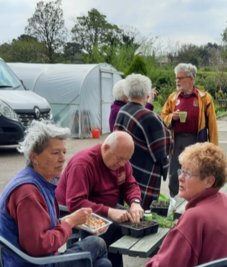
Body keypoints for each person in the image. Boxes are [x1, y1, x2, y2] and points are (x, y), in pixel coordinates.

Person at [0, 120, 111, 267]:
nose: (62, 158)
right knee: (97, 243)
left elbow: (41, 227)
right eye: (55, 153)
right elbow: (38, 246)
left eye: (64, 152)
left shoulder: (37, 181)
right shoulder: (28, 192)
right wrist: (70, 223)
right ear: (34, 157)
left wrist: (72, 219)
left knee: (103, 263)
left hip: (40, 258)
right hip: (35, 263)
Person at [146, 143, 227, 267]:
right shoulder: (226, 201)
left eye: (188, 173)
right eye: (182, 171)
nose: (180, 177)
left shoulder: (195, 217)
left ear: (209, 181)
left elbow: (166, 264)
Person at [56, 131, 144, 267]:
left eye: (126, 160)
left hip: (105, 208)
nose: (122, 164)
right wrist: (109, 211)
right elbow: (75, 202)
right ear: (106, 147)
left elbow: (130, 184)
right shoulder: (83, 164)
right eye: (120, 158)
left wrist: (135, 202)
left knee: (127, 224)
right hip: (74, 214)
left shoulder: (122, 161)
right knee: (113, 228)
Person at [114, 73, 172, 210]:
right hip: (145, 172)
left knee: (126, 206)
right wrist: (165, 166)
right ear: (147, 94)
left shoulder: (123, 110)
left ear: (127, 93)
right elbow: (160, 152)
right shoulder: (150, 117)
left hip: (124, 167)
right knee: (142, 211)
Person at [161, 63, 218, 197]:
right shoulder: (173, 98)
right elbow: (162, 117)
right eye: (176, 78)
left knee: (196, 175)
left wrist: (214, 149)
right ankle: (174, 203)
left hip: (197, 141)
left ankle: (195, 202)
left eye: (180, 78)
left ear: (191, 79)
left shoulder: (205, 98)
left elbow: (213, 125)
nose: (177, 81)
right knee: (175, 175)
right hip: (177, 141)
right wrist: (171, 117)